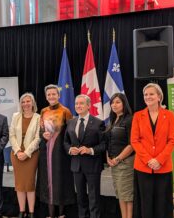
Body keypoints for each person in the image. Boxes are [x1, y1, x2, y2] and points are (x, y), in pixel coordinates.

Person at [131, 83, 174, 218]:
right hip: (143, 167)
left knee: (162, 203)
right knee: (145, 203)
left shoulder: (169, 115)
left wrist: (159, 160)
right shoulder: (138, 116)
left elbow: (172, 141)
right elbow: (135, 141)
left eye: (151, 94)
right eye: (145, 94)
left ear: (159, 96)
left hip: (163, 167)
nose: (148, 97)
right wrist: (148, 160)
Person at [36, 84, 76, 218]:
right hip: (46, 152)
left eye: (54, 94)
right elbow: (41, 130)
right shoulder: (43, 111)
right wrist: (43, 134)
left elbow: (71, 133)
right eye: (49, 94)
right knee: (48, 182)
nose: (51, 96)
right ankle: (50, 215)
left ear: (58, 95)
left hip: (61, 155)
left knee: (60, 182)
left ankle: (61, 214)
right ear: (46, 97)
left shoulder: (66, 111)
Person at [64, 94, 105, 218]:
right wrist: (70, 149)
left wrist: (90, 150)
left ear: (89, 105)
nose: (78, 106)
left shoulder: (98, 123)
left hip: (93, 166)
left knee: (93, 198)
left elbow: (104, 145)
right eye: (76, 103)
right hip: (76, 166)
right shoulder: (71, 122)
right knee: (80, 197)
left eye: (81, 103)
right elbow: (65, 142)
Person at [10, 93, 40, 218]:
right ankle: (22, 212)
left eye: (28, 101)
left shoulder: (38, 117)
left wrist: (27, 153)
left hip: (31, 155)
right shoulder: (15, 116)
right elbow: (11, 135)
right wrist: (18, 151)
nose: (26, 104)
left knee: (29, 184)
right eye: (23, 102)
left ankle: (31, 212)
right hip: (16, 154)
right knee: (20, 184)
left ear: (32, 103)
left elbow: (38, 138)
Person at [105, 93, 134, 218]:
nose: (114, 105)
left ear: (124, 104)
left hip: (126, 163)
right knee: (121, 195)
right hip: (114, 164)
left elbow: (132, 144)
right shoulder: (113, 119)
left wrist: (117, 159)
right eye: (112, 102)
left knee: (128, 196)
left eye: (117, 102)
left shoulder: (129, 119)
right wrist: (108, 158)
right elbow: (109, 142)